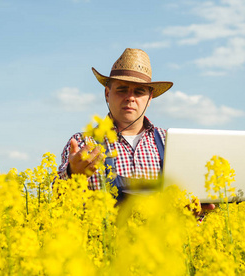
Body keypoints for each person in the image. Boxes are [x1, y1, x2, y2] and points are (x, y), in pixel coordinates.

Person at [58, 48, 214, 213]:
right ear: (107, 93)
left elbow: (187, 205)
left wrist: (194, 214)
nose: (130, 97)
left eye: (139, 91)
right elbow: (59, 203)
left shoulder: (170, 142)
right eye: (122, 89)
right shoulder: (83, 143)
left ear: (149, 98)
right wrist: (72, 174)